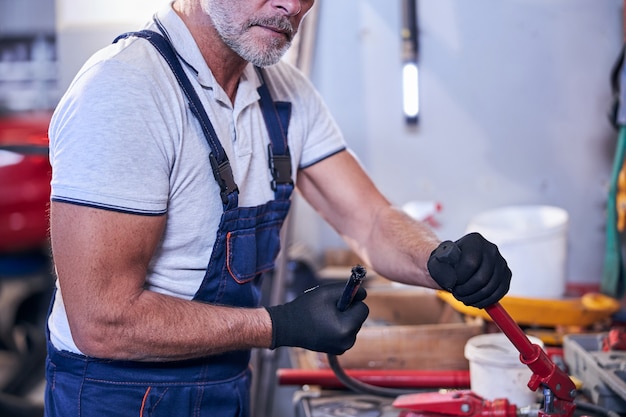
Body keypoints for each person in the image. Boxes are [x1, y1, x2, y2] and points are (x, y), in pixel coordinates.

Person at [45, 0, 511, 416]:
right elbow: (102, 320)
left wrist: (438, 260)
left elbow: (368, 221)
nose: (292, 5)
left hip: (225, 387)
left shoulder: (284, 93)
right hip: (120, 396)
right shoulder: (125, 90)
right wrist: (278, 325)